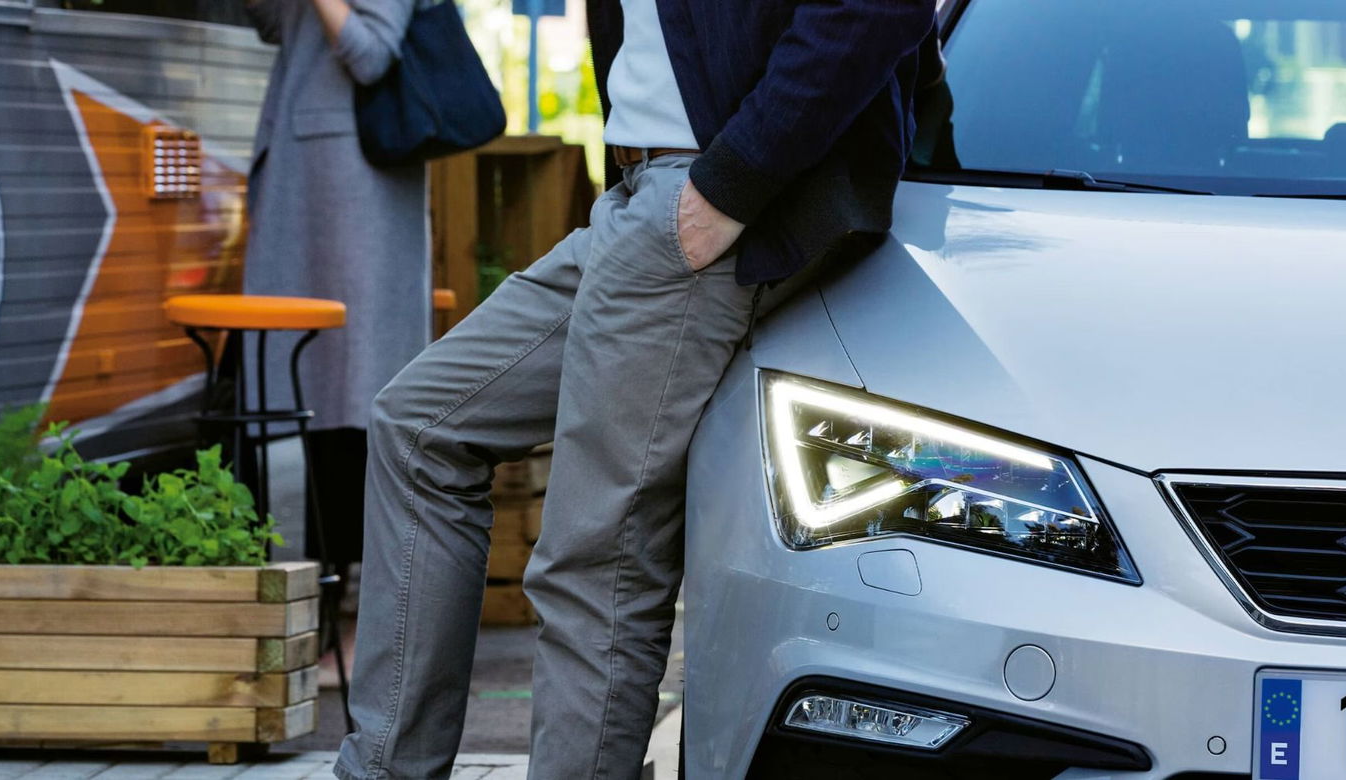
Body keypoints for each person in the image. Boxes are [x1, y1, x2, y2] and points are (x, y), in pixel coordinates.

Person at [336, 0, 940, 777]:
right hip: (642, 201)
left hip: (705, 196)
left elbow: (874, 9)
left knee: (597, 555)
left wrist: (733, 184)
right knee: (420, 427)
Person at [244, 0, 429, 563]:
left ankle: (348, 606)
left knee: (353, 382)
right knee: (310, 378)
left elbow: (372, 54)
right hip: (307, 175)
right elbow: (271, 24)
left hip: (355, 188)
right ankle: (315, 594)